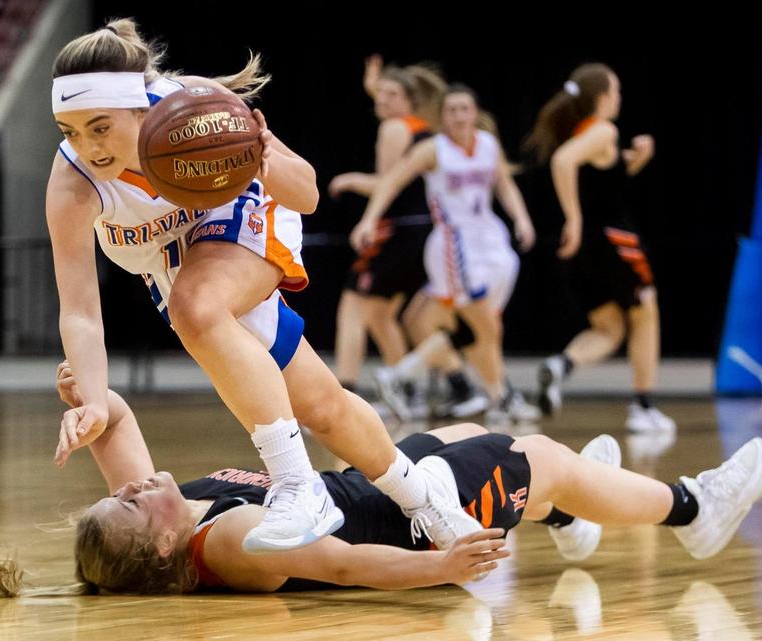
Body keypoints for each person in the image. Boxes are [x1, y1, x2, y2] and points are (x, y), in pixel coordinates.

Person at [44, 18, 480, 555]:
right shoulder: (72, 184)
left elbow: (308, 194)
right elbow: (81, 312)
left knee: (196, 307)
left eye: (100, 126)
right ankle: (425, 498)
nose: (88, 147)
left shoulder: (199, 110)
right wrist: (91, 401)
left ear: (141, 107)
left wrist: (265, 157)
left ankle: (300, 487)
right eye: (71, 131)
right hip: (174, 263)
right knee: (322, 407)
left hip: (239, 217)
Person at [0, 359, 762, 596]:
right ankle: (694, 508)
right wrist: (441, 568)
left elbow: (117, 421)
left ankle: (565, 517)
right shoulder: (226, 542)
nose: (127, 482)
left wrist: (87, 400)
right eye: (125, 499)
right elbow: (340, 564)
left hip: (375, 483)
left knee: (479, 434)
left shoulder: (166, 511)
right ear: (162, 541)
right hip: (403, 527)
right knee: (539, 454)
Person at [353, 85, 539, 425]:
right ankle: (501, 396)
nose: (457, 116)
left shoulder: (488, 145)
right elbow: (391, 181)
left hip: (493, 245)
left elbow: (505, 185)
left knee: (470, 329)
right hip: (456, 247)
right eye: (450, 110)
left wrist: (522, 218)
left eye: (463, 109)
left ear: (474, 112)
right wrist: (368, 220)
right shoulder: (432, 150)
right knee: (484, 326)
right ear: (442, 117)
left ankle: (401, 377)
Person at [328, 58, 480, 422]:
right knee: (382, 316)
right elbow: (398, 103)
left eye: (390, 94)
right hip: (425, 234)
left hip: (399, 231)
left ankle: (343, 400)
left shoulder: (394, 127)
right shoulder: (424, 129)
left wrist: (348, 180)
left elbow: (387, 183)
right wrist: (379, 87)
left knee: (353, 307)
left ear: (407, 100)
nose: (381, 99)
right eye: (379, 94)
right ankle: (410, 391)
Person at [526, 64, 672, 432]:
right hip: (613, 242)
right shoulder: (603, 130)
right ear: (603, 96)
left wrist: (637, 159)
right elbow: (563, 162)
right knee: (646, 313)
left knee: (609, 329)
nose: (620, 98)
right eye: (617, 90)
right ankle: (643, 407)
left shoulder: (586, 134)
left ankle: (562, 365)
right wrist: (572, 217)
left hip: (584, 252)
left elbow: (605, 183)